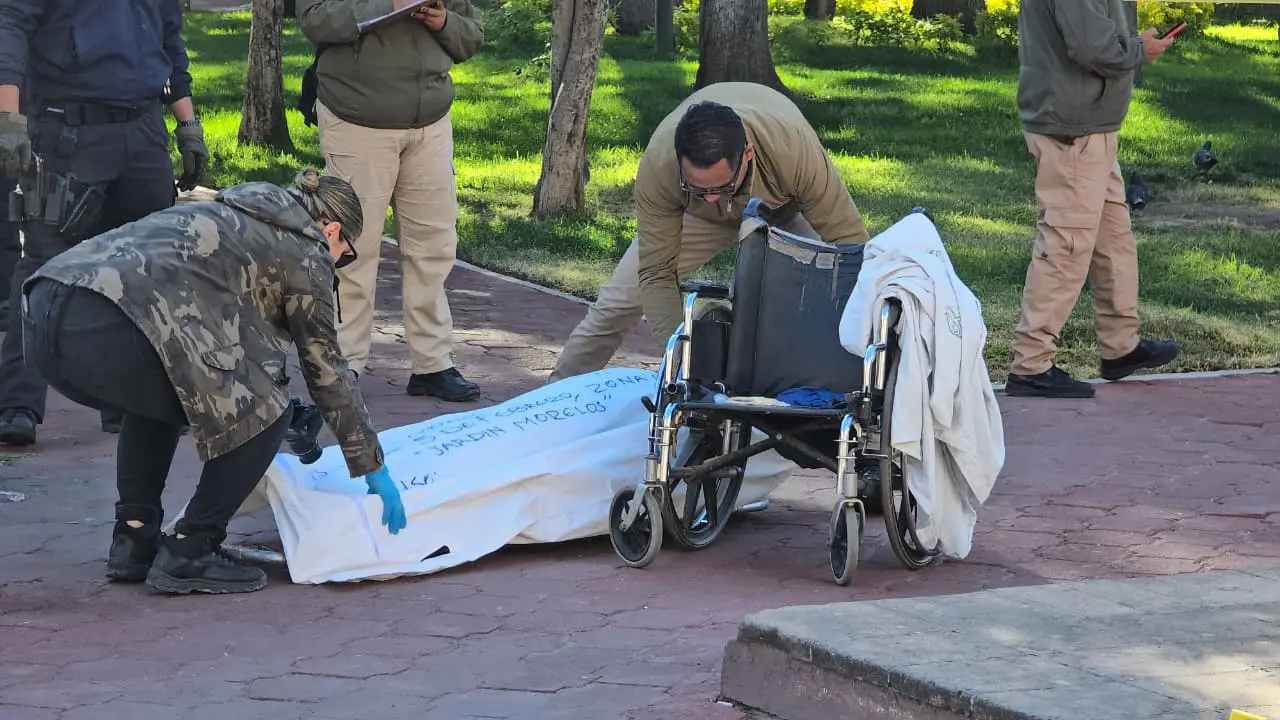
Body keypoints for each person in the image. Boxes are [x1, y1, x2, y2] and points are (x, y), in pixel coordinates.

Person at [19, 168, 407, 595]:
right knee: (269, 412)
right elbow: (326, 369)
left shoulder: (226, 210)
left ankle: (134, 539)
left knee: (164, 391)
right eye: (344, 254)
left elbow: (224, 350)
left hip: (43, 309)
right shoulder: (306, 250)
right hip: (110, 325)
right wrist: (372, 466)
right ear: (331, 230)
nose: (339, 263)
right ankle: (192, 548)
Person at [548, 82, 872, 382]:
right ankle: (551, 403)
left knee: (825, 296)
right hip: (697, 219)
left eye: (723, 186)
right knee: (617, 303)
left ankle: (836, 397)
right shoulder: (659, 167)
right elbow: (657, 274)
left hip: (782, 209)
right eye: (698, 187)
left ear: (747, 155)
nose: (714, 197)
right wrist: (683, 359)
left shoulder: (793, 150)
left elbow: (851, 246)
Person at [0, 0, 210, 445]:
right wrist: (8, 119)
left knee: (145, 271)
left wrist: (187, 124)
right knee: (44, 266)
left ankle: (131, 403)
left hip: (143, 129)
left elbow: (169, 42)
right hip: (65, 131)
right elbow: (11, 26)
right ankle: (16, 404)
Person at [296, 0, 485, 403]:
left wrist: (444, 21)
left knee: (432, 249)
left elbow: (471, 35)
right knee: (351, 249)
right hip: (357, 116)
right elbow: (314, 18)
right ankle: (343, 366)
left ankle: (433, 364)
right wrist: (391, 5)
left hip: (430, 120)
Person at [1005, 0, 1181, 399]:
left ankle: (1121, 345)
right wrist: (1140, 50)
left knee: (1112, 239)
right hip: (1073, 128)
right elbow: (1091, 46)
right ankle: (1030, 364)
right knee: (1066, 242)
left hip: (1090, 125)